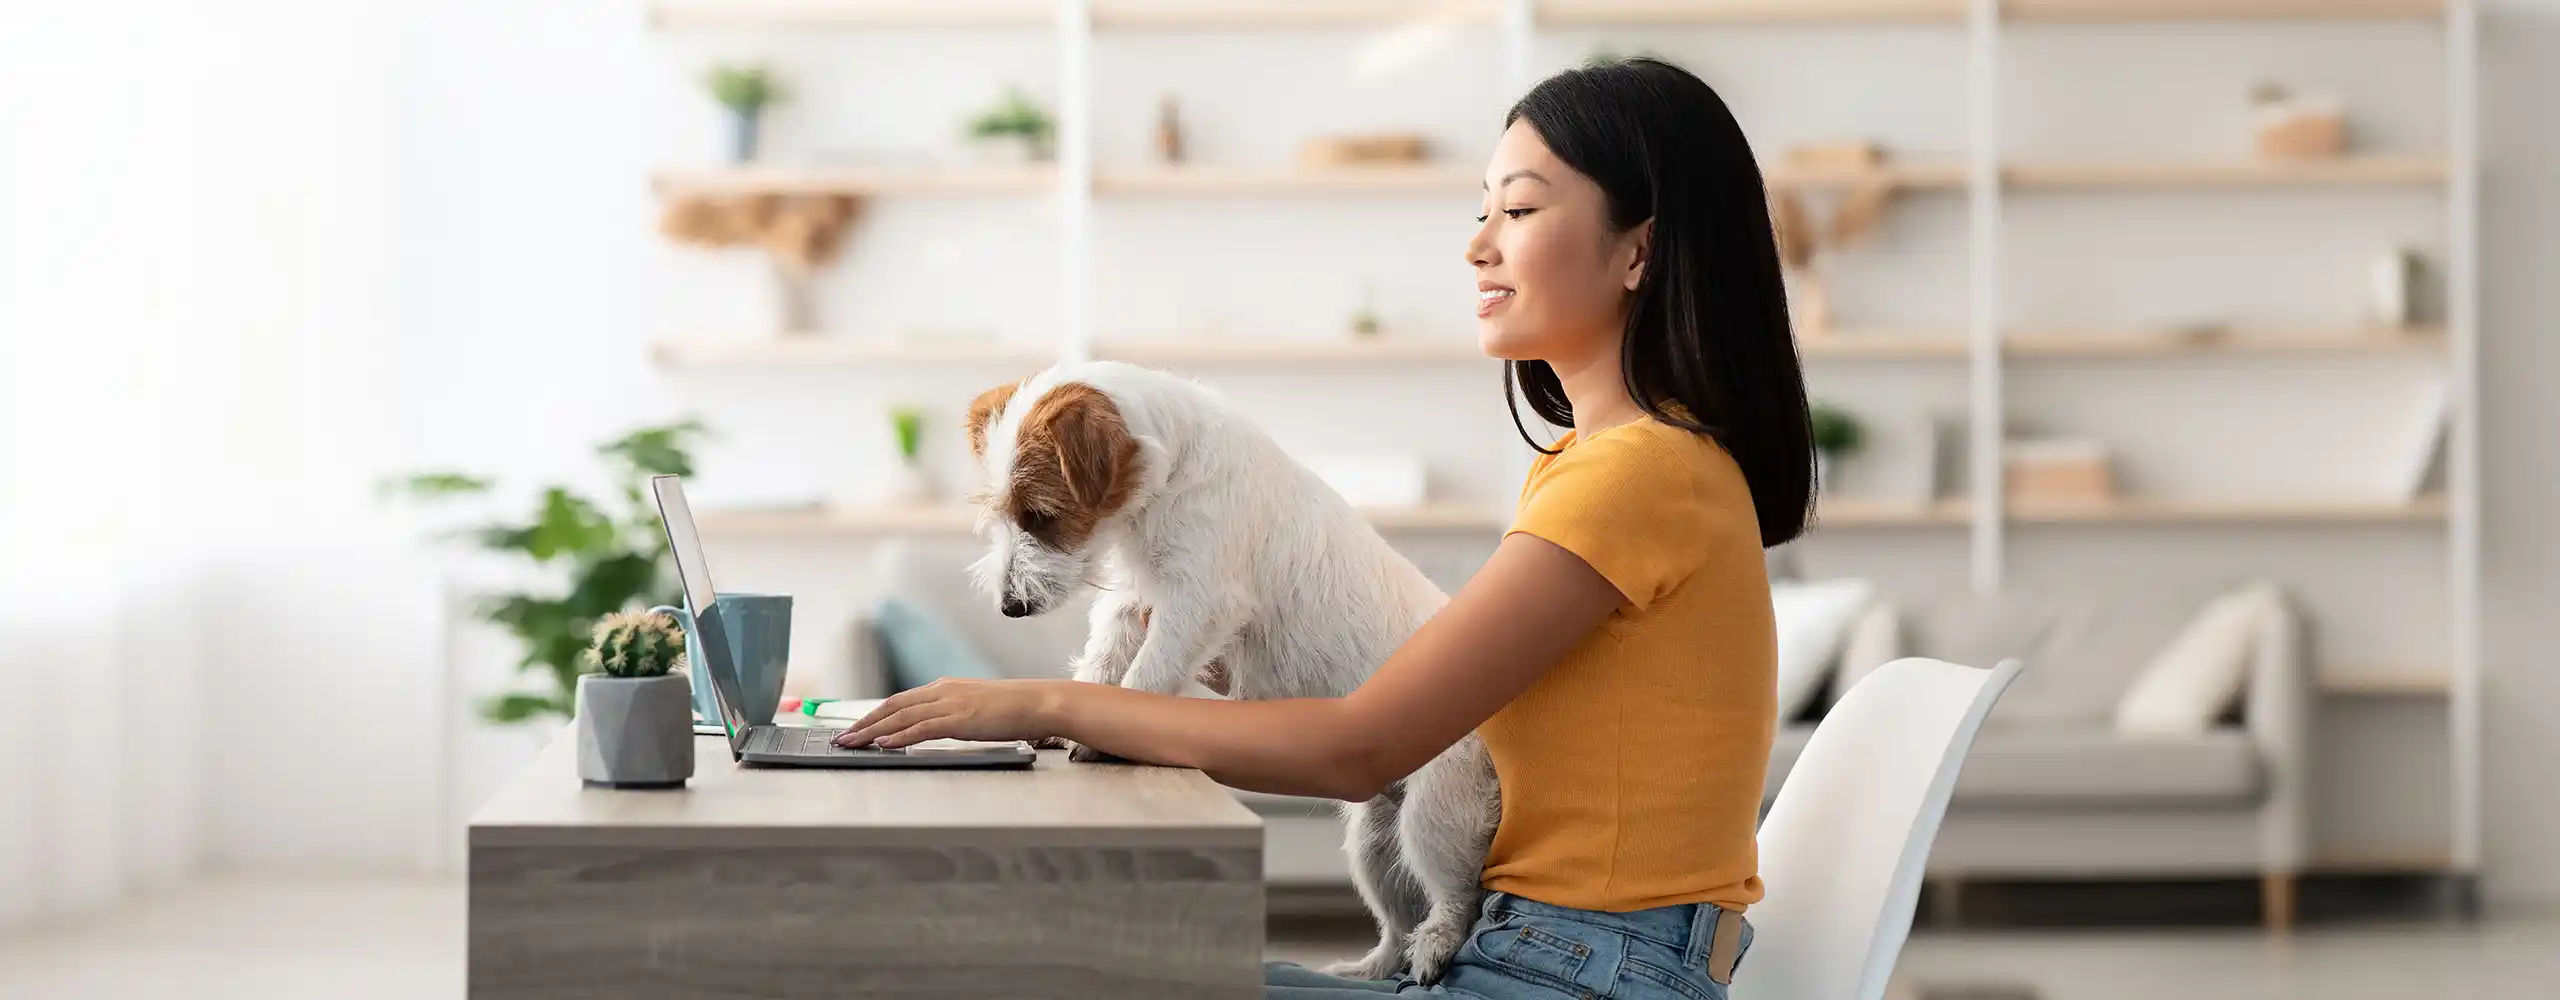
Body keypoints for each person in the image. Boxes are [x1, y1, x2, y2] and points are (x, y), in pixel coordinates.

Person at [837, 57, 1813, 1000]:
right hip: (1556, 950)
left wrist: (1039, 705)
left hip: (1575, 970)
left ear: (1638, 250)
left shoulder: (1639, 474)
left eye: (1516, 209)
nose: (1478, 243)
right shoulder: (1609, 465)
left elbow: (1359, 749)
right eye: (1481, 210)